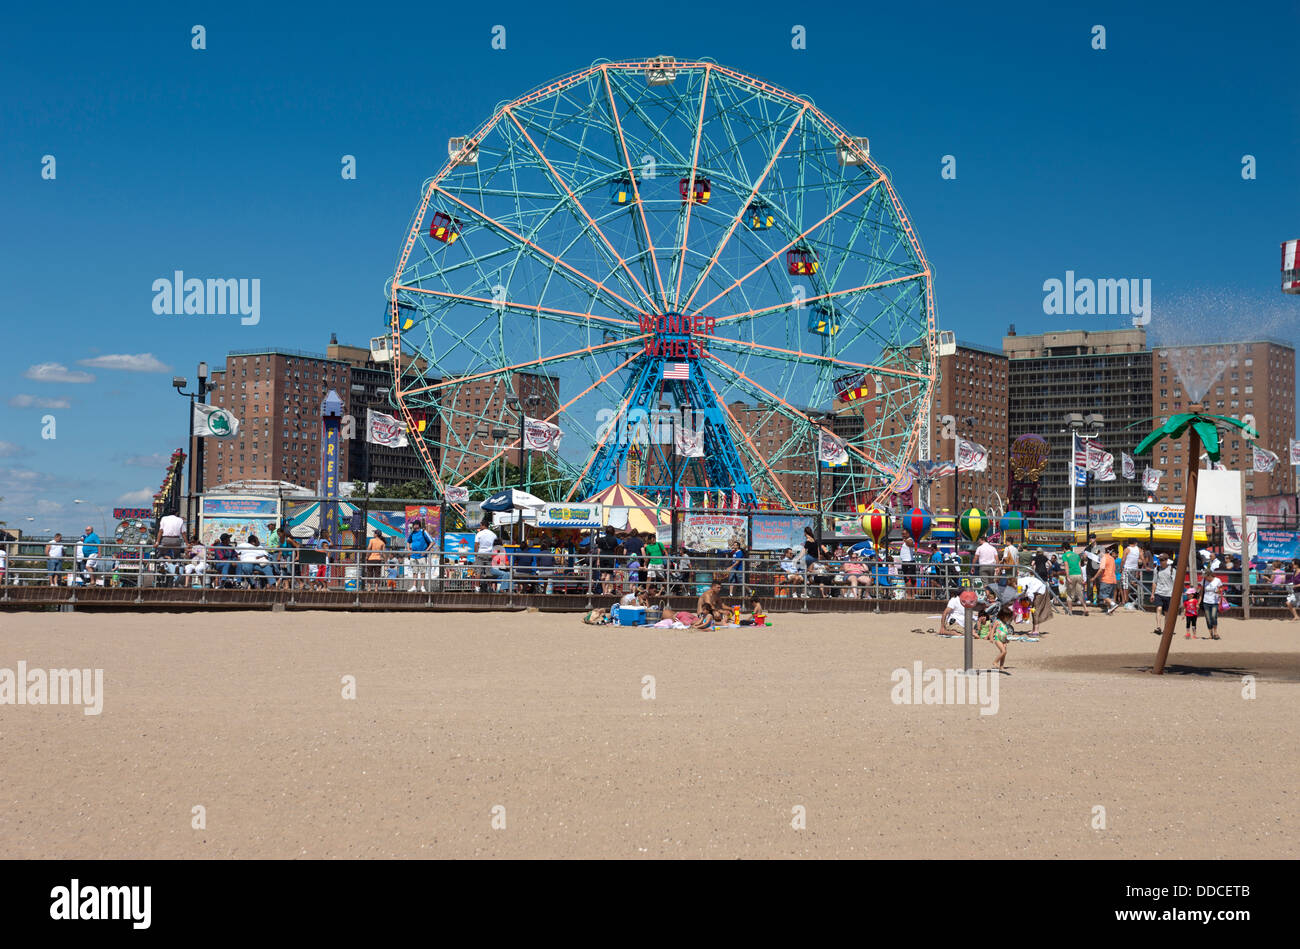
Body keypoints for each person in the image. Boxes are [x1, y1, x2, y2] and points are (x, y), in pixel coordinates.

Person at [976, 606, 1011, 671]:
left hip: (1003, 640)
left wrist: (1006, 639)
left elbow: (1004, 632)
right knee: (1003, 651)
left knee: (1004, 653)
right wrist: (991, 637)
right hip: (998, 639)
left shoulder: (1005, 623)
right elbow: (992, 629)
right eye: (1007, 617)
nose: (1008, 619)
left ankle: (1001, 666)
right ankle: (995, 662)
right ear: (1003, 615)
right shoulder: (998, 621)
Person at [1018, 571, 1051, 636]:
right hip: (1035, 590)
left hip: (1039, 590)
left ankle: (1036, 630)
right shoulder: (1019, 582)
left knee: (1035, 610)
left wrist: (1029, 603)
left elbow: (1029, 594)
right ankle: (1034, 629)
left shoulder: (1020, 584)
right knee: (1033, 610)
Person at [1059, 542, 1087, 614]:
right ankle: (1085, 608)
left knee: (1069, 594)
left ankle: (1070, 611)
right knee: (1080, 593)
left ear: (1064, 548)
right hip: (1078, 574)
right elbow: (1080, 566)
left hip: (1071, 574)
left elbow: (1066, 566)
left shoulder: (1065, 555)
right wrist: (1082, 577)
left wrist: (1067, 576)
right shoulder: (1076, 555)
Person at [407, 519, 434, 593]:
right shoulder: (412, 533)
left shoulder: (423, 532)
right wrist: (409, 550)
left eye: (414, 524)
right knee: (414, 571)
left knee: (422, 571)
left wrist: (426, 551)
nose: (413, 526)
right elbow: (408, 541)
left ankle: (422, 586)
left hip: (422, 556)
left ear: (417, 525)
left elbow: (432, 542)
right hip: (413, 555)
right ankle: (414, 586)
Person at [595, 526, 622, 595]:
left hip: (602, 557)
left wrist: (598, 559)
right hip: (610, 557)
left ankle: (604, 591)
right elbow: (615, 549)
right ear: (613, 532)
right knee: (608, 575)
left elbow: (599, 550)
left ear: (606, 531)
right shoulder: (614, 539)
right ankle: (606, 590)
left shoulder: (601, 539)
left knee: (603, 575)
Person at [1200, 568, 1223, 640]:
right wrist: (1198, 602)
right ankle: (1210, 634)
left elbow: (1221, 589)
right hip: (1206, 601)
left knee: (1213, 616)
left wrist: (1218, 591)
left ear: (1209, 575)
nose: (1204, 577)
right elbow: (1201, 592)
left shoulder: (1217, 580)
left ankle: (1215, 632)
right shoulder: (1203, 581)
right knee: (1208, 618)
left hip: (1214, 601)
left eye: (1205, 576)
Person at [1153, 554, 1175, 629]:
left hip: (1169, 593)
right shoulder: (1157, 569)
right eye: (1160, 560)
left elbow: (1175, 583)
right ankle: (1158, 626)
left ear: (1166, 560)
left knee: (1166, 612)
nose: (1161, 561)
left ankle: (1166, 628)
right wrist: (1152, 594)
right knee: (1159, 608)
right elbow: (1154, 582)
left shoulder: (1172, 569)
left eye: (1163, 560)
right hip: (1159, 592)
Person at [1098, 545, 1120, 614]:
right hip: (1113, 579)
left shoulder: (1104, 558)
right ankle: (1110, 610)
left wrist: (1095, 577)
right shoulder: (1112, 559)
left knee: (1103, 595)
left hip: (1106, 579)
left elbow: (1101, 570)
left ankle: (1113, 604)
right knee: (1109, 596)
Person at [1120, 542, 1143, 608]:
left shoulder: (1127, 549)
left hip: (1127, 569)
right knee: (1130, 585)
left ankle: (1125, 601)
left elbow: (1123, 560)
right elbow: (1141, 559)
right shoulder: (1138, 550)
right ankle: (1126, 600)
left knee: (1125, 585)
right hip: (1134, 570)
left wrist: (1121, 568)